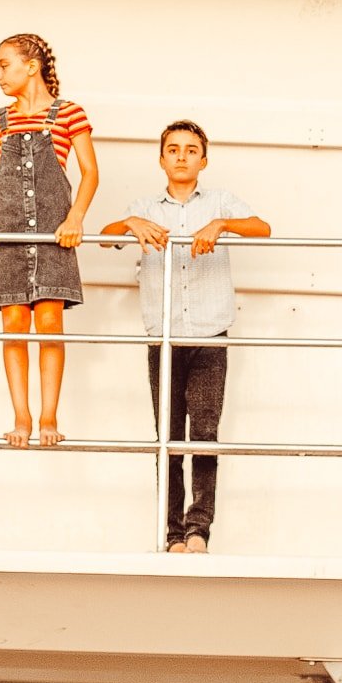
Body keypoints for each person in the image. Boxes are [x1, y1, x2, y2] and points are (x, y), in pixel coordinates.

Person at [100, 120, 269, 553]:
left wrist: (222, 225)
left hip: (210, 333)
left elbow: (262, 227)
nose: (181, 156)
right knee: (168, 437)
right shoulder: (146, 206)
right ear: (161, 159)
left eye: (191, 150)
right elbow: (104, 239)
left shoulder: (219, 202)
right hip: (165, 337)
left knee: (205, 435)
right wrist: (129, 223)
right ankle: (172, 534)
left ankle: (199, 531)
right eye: (172, 149)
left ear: (203, 160)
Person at [0, 33, 99, 448]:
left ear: (31, 66)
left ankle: (48, 416)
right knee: (14, 324)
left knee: (50, 323)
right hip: (7, 234)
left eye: (4, 64)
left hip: (52, 234)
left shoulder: (69, 115)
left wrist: (75, 217)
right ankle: (21, 416)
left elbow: (90, 173)